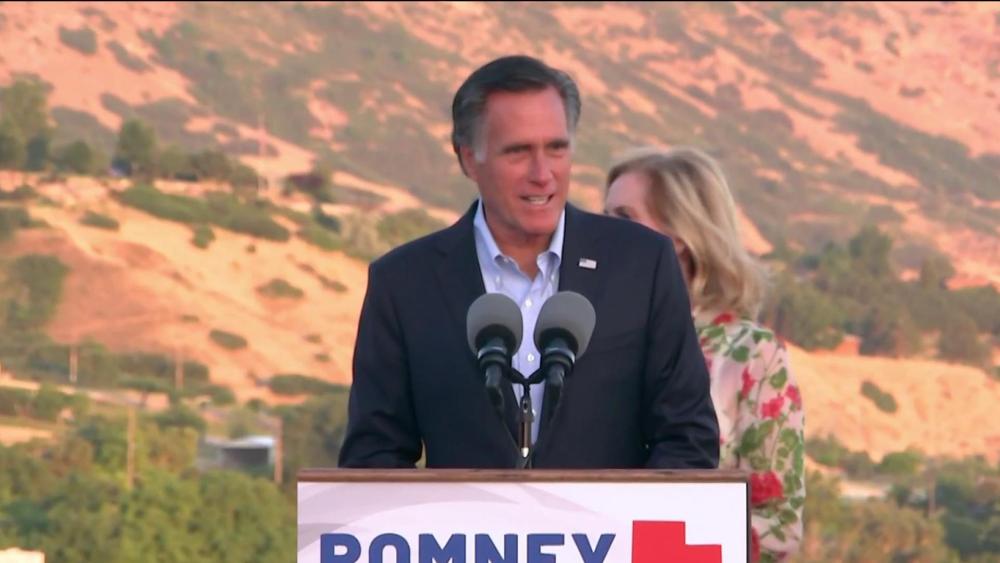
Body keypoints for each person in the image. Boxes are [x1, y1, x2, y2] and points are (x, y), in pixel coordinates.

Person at [338, 55, 719, 469]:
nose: (542, 173)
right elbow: (373, 456)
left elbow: (687, 439)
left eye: (556, 148)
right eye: (518, 151)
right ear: (469, 159)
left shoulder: (642, 263)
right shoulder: (404, 283)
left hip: (615, 515)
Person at [605, 146, 805, 561]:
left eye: (623, 218)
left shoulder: (751, 355)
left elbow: (779, 524)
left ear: (679, 236)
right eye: (602, 217)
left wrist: (655, 544)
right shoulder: (583, 343)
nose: (602, 234)